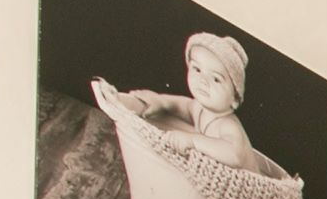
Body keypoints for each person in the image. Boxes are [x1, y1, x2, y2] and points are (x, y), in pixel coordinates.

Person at [93, 31, 264, 171]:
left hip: (248, 189)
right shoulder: (199, 107)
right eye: (197, 69)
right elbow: (177, 105)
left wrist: (192, 141)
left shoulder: (228, 125)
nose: (203, 80)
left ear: (235, 100)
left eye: (216, 79)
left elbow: (234, 155)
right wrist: (159, 102)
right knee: (162, 112)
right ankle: (118, 100)